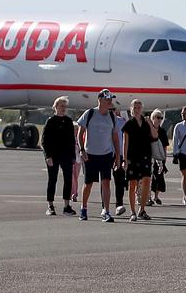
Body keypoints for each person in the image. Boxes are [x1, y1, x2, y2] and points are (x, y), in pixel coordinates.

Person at [76, 89, 122, 222]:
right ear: (100, 100)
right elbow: (80, 133)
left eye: (110, 99)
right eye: (107, 99)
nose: (109, 101)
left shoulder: (112, 116)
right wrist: (82, 150)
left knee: (106, 182)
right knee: (88, 183)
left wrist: (118, 157)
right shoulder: (90, 113)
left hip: (106, 154)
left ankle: (106, 211)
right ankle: (83, 208)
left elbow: (115, 138)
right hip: (90, 154)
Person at [120, 98, 156, 221]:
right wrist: (124, 159)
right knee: (132, 183)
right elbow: (125, 142)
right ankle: (133, 211)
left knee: (146, 180)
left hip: (145, 155)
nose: (137, 109)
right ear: (131, 109)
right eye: (135, 107)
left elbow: (155, 135)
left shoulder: (146, 123)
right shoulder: (129, 124)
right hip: (132, 157)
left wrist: (150, 123)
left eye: (139, 107)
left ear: (142, 109)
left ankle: (142, 209)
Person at [41, 97, 77, 216]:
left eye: (64, 106)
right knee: (52, 179)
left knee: (68, 179)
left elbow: (72, 140)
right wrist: (48, 156)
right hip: (53, 155)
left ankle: (67, 206)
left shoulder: (68, 121)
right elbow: (44, 141)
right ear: (56, 107)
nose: (63, 108)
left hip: (66, 155)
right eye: (61, 106)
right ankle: (50, 205)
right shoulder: (50, 121)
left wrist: (73, 156)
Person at [149, 109, 169, 206]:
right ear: (152, 118)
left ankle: (156, 196)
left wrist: (164, 157)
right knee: (149, 177)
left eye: (161, 118)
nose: (159, 120)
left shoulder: (162, 132)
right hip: (149, 156)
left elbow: (165, 145)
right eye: (158, 117)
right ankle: (148, 196)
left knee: (159, 177)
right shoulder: (147, 130)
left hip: (159, 157)